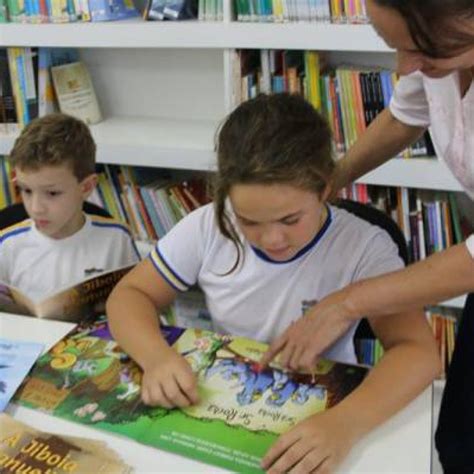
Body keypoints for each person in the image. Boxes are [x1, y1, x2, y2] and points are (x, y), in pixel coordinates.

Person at [107, 93, 440, 473]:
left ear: (326, 187)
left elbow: (417, 352)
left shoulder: (364, 246)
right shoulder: (207, 226)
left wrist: (345, 423)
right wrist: (156, 357)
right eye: (249, 221)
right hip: (220, 403)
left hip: (325, 413)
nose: (272, 240)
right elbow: (130, 294)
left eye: (290, 219)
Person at [259, 1, 474, 472]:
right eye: (392, 46)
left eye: (421, 49)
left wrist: (347, 302)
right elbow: (405, 114)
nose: (403, 67)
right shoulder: (435, 55)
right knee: (460, 437)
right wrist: (330, 181)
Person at [0, 113, 140, 301]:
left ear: (87, 187)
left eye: (52, 193)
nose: (36, 208)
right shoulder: (7, 245)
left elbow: (134, 303)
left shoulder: (116, 239)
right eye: (25, 190)